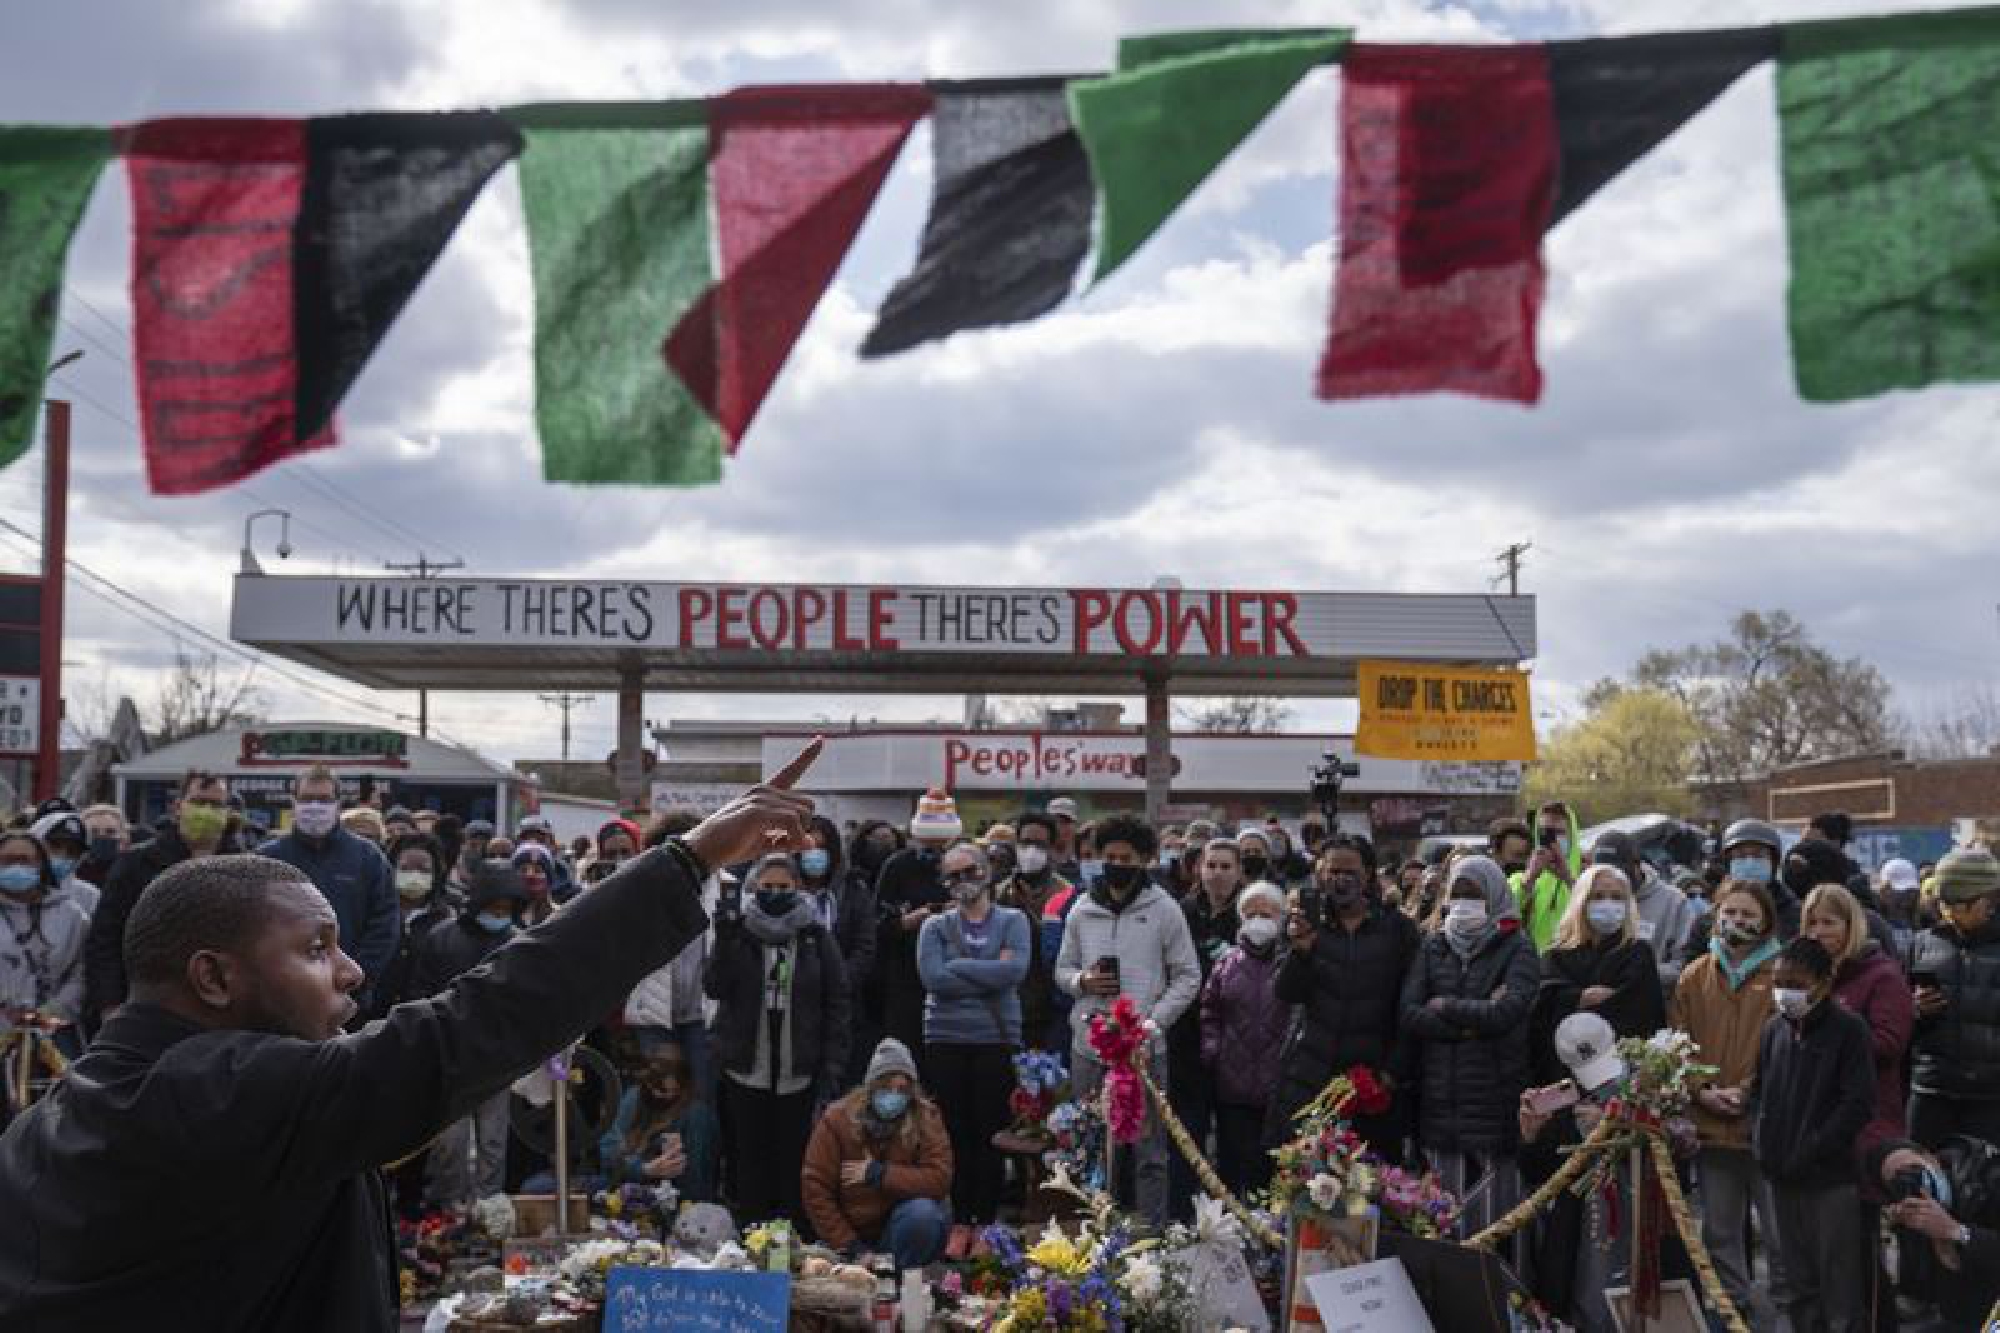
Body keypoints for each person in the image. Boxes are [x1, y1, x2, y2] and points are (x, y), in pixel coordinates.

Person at [0, 741, 820, 1331]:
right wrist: (688, 859)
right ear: (214, 978)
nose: (352, 970)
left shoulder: (47, 1123)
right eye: (316, 948)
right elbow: (473, 1022)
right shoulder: (215, 1094)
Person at [1053, 814, 1200, 1226]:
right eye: (1110, 856)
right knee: (1089, 1143)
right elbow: (1061, 970)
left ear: (1145, 860)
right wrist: (1083, 981)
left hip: (1144, 1050)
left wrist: (1153, 1023)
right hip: (1089, 1045)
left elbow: (1188, 976)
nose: (1117, 863)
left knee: (1149, 1150)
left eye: (1127, 857)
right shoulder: (1082, 908)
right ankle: (1091, 1234)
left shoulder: (1165, 910)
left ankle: (1150, 1238)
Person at [1400, 853, 1540, 1234]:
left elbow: (1508, 1013)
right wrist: (1471, 1023)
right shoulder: (1433, 946)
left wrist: (1445, 1005)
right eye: (1457, 892)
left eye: (1474, 894)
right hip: (1438, 1106)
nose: (1463, 901)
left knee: (1496, 1225)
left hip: (1494, 1107)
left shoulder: (1517, 948)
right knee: (1443, 1223)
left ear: (1493, 896)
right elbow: (1410, 1013)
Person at [1668, 878, 1786, 1328]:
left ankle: (1782, 1315)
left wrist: (1748, 1091)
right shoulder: (1695, 974)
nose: (1737, 922)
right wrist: (1700, 1091)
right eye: (1730, 913)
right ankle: (1733, 1311)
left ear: (1766, 923)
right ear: (1715, 915)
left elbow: (1784, 1047)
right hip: (1711, 1127)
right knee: (1719, 1231)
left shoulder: (1780, 973)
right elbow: (1678, 1043)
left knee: (1778, 1233)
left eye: (1748, 915)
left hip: (1764, 1126)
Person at [708, 851, 850, 1227]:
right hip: (746, 1066)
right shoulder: (738, 931)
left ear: (798, 888)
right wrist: (723, 938)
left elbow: (837, 1001)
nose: (774, 893)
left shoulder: (815, 936)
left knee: (794, 1159)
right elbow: (715, 987)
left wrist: (831, 1066)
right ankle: (752, 1236)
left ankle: (793, 1241)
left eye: (783, 887)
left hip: (798, 1069)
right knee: (749, 1158)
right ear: (754, 888)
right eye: (767, 886)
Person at [1265, 835, 1420, 1161]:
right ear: (1320, 874)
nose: (1341, 880)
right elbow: (1285, 993)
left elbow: (1411, 1004)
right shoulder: (1301, 925)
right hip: (1311, 1078)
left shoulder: (1397, 929)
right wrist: (1301, 952)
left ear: (1368, 875)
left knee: (1374, 1188)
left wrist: (1393, 1071)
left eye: (1350, 871)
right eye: (1333, 871)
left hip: (1373, 1082)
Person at [1751, 936, 1876, 1333]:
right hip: (1782, 1175)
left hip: (1829, 1178)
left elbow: (1857, 1104)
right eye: (1779, 981)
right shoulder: (1774, 1029)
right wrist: (1763, 1144)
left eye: (1798, 983)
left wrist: (1814, 1148)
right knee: (1797, 1284)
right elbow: (1762, 1091)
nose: (1787, 992)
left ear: (1824, 983)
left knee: (1839, 1284)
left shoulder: (1849, 1030)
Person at [915, 843, 1028, 1224]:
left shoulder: (1013, 920)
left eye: (971, 871)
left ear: (987, 872)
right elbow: (933, 978)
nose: (963, 881)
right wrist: (986, 969)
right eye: (954, 875)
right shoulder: (934, 926)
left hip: (995, 1038)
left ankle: (987, 1220)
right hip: (945, 1038)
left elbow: (1014, 973)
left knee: (992, 1134)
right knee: (955, 1133)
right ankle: (960, 1219)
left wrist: (957, 965)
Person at [408, 862, 531, 1208]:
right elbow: (422, 995)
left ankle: (488, 1212)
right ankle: (447, 1209)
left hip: (498, 1056)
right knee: (451, 1141)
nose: (500, 915)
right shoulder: (443, 938)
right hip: (450, 1055)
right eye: (495, 908)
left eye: (507, 910)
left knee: (493, 1141)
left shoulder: (517, 941)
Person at [82, 770, 233, 1030]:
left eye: (216, 804)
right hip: (150, 1006)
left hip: (222, 1008)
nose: (207, 811)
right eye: (198, 802)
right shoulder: (136, 864)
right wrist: (110, 1005)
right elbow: (105, 938)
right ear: (178, 807)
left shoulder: (245, 867)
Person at [800, 1037, 952, 1271]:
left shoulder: (926, 1117)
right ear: (872, 1086)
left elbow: (939, 1178)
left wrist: (880, 1175)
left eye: (902, 1090)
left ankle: (899, 1277)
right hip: (851, 1236)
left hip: (901, 1230)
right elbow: (816, 1188)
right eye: (887, 1087)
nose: (894, 1096)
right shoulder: (837, 1120)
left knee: (924, 1215)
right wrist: (851, 1246)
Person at [259, 766, 399, 1011]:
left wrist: (354, 978)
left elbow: (384, 925)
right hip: (285, 998)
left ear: (338, 804)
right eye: (306, 799)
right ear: (294, 803)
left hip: (351, 996)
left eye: (323, 799)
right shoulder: (267, 858)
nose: (315, 806)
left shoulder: (368, 858)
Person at [1801, 882, 1914, 1163]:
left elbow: (1889, 1043)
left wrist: (1829, 1042)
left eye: (1829, 922)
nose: (1818, 932)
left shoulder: (1882, 976)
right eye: (1812, 923)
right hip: (1814, 1114)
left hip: (1866, 1119)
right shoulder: (1806, 975)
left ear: (1851, 926)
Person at [1528, 864, 1665, 1087]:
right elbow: (1541, 1010)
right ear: (1581, 901)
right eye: (1598, 896)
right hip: (1561, 1079)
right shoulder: (1555, 956)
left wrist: (1573, 1004)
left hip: (1622, 1081)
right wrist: (1579, 998)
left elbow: (1640, 1014)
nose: (1607, 903)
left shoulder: (1638, 953)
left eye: (1616, 897)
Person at [1167, 832, 1244, 1218]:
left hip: (1237, 1039)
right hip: (1186, 1035)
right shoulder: (1179, 911)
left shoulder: (1251, 914)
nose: (1217, 873)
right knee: (1186, 1136)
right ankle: (1182, 1219)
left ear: (1240, 871)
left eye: (1225, 866)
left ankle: (1232, 1218)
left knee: (1233, 1141)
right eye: (1211, 865)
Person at [1200, 882, 1290, 1195]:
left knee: (1273, 1168)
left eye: (1267, 914)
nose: (1258, 920)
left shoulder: (1292, 961)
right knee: (1233, 1165)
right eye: (1251, 914)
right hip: (1233, 1084)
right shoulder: (1227, 963)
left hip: (1279, 1084)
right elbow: (1209, 1009)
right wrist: (1213, 1049)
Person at [1909, 848, 2000, 1148]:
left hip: (1990, 1098)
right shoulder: (1922, 944)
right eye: (1942, 903)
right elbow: (1898, 1018)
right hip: (1931, 1092)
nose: (1948, 912)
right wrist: (1916, 1010)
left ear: (1987, 900)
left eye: (1957, 904)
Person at [1869, 1135, 2000, 1331]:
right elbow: (1958, 1313)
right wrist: (1943, 1245)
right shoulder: (1920, 1219)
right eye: (1900, 1182)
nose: (1916, 1182)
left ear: (1932, 1159)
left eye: (1914, 1169)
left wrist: (1959, 1232)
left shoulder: (1988, 1176)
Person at [873, 790, 958, 1060]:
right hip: (905, 978)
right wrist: (911, 920)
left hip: (953, 975)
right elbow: (878, 922)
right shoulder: (897, 866)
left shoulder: (961, 862)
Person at [0, 830, 90, 1055]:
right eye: (8, 861)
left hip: (53, 1032)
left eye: (25, 860)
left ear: (41, 865)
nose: (16, 867)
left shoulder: (71, 915)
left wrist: (53, 1011)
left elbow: (82, 971)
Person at [994, 811, 1075, 1054]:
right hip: (1005, 1006)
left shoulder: (1067, 895)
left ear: (1052, 848)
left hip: (1049, 1009)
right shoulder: (999, 892)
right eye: (1025, 843)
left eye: (1039, 844)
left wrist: (1030, 915)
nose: (1031, 851)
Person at [598, 1046, 720, 1204]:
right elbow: (608, 1156)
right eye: (655, 1089)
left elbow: (698, 1175)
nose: (659, 1096)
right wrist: (645, 1169)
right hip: (631, 1188)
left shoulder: (696, 1116)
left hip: (679, 1196)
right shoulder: (633, 1099)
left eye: (671, 1091)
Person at [370, 832, 456, 1016]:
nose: (415, 876)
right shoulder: (374, 913)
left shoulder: (447, 919)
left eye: (424, 870)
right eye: (406, 869)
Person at [801, 814, 876, 1011]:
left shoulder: (853, 891)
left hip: (841, 999)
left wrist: (841, 981)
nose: (814, 854)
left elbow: (865, 945)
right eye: (809, 848)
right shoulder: (785, 889)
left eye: (821, 848)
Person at [1511, 801, 1581, 952]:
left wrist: (1568, 879)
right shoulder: (1519, 880)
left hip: (1572, 965)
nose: (1553, 840)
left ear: (1572, 836)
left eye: (1559, 833)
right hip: (1532, 966)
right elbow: (1503, 915)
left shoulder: (1588, 878)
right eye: (1546, 833)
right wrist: (1528, 880)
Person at [28, 810, 98, 917]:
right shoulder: (10, 892)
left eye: (72, 851)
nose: (62, 855)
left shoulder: (89, 896)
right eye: (55, 846)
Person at [77, 804, 130, 890]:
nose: (102, 837)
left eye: (110, 832)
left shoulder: (135, 874)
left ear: (124, 838)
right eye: (93, 832)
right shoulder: (71, 876)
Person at [510, 842, 560, 926]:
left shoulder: (559, 916)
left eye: (537, 870)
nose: (530, 876)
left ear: (549, 878)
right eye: (523, 870)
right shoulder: (503, 913)